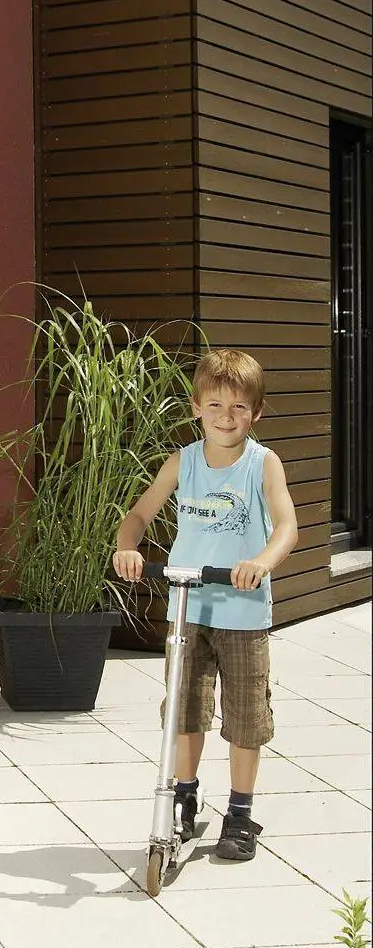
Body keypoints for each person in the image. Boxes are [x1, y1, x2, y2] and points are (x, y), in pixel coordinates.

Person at [113, 348, 298, 863]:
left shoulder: (263, 464)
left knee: (245, 715)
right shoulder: (184, 461)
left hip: (242, 612)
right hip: (189, 609)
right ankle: (184, 796)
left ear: (256, 412)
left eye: (238, 407)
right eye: (214, 405)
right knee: (184, 711)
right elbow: (139, 515)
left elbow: (287, 526)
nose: (225, 416)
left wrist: (261, 561)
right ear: (197, 407)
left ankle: (239, 812)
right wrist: (128, 547)